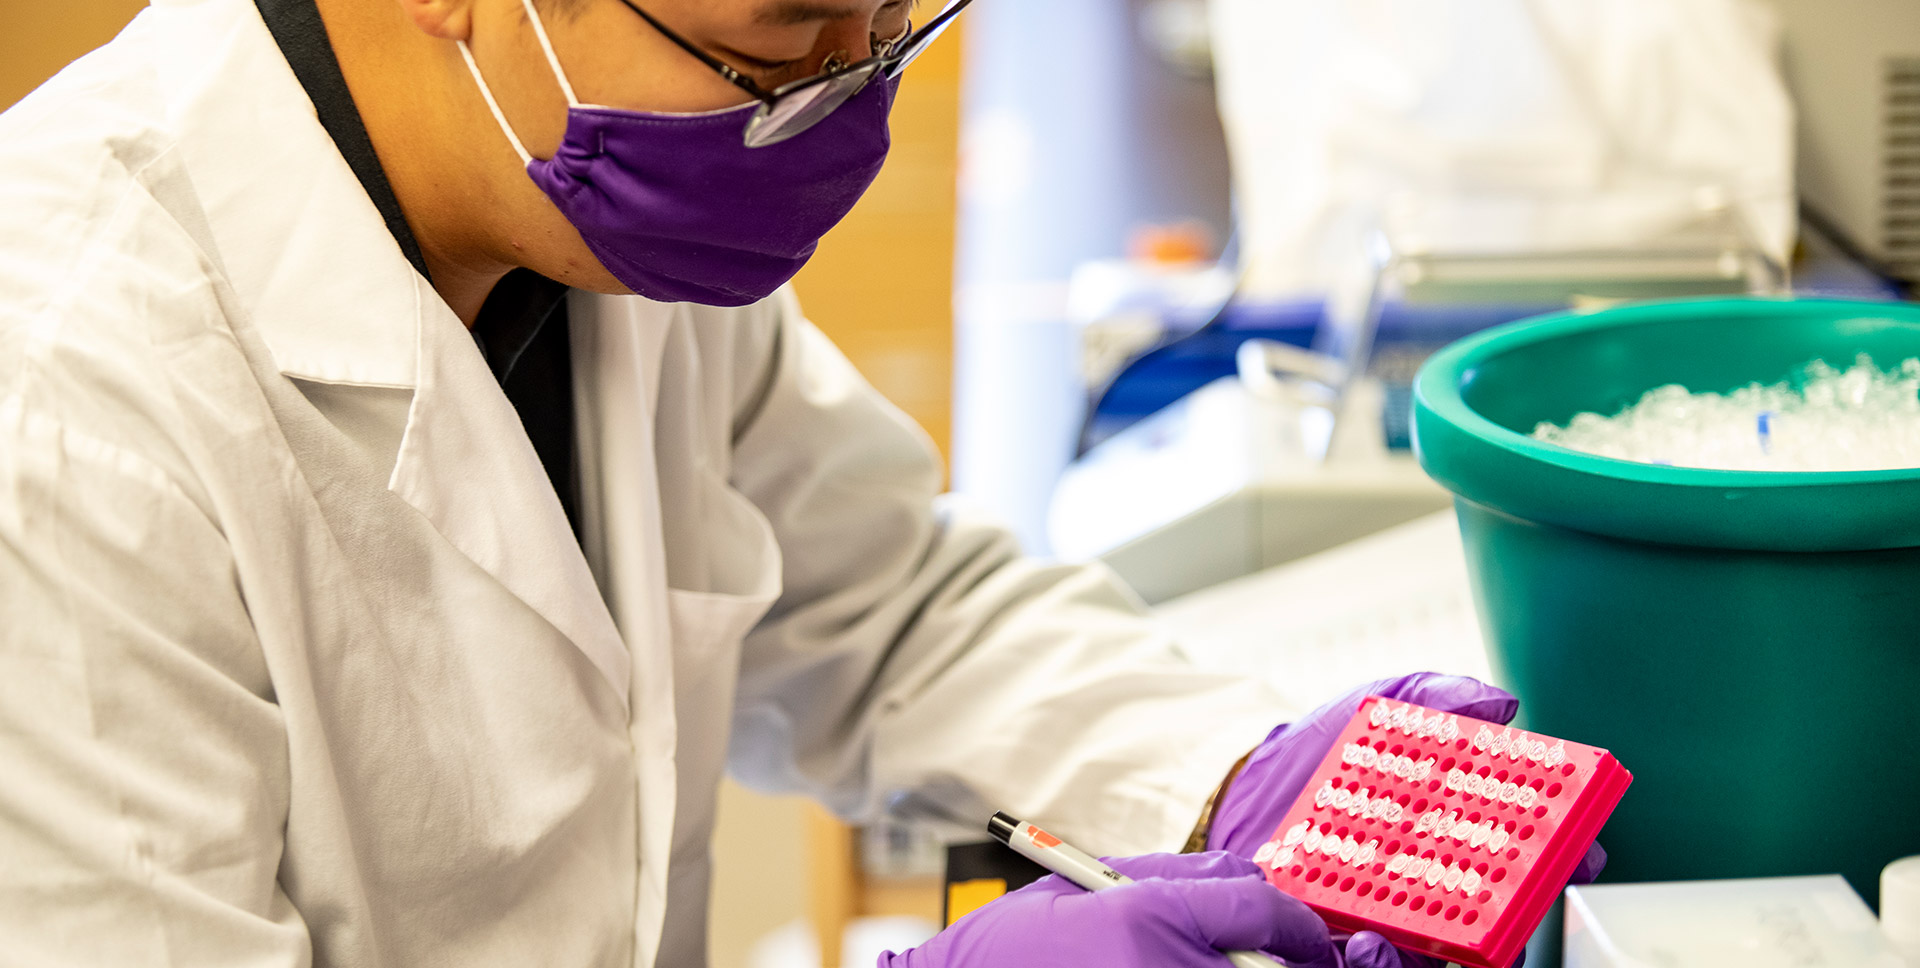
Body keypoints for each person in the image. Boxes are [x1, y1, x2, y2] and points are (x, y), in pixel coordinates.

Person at [0, 0, 1598, 964]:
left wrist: (1224, 776)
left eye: (889, 20)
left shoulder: (585, 190)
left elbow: (883, 606)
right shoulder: (66, 415)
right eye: (779, 35)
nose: (838, 105)